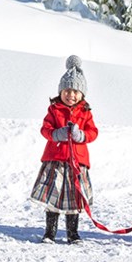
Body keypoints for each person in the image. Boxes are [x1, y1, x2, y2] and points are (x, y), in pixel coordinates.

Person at [29, 55, 99, 243]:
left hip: (77, 164)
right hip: (56, 161)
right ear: (61, 91)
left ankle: (72, 233)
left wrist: (81, 136)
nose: (71, 95)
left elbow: (93, 132)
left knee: (73, 200)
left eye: (76, 91)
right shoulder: (54, 110)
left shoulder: (85, 112)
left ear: (82, 94)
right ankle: (49, 232)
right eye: (67, 90)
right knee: (54, 197)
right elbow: (45, 129)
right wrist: (56, 134)